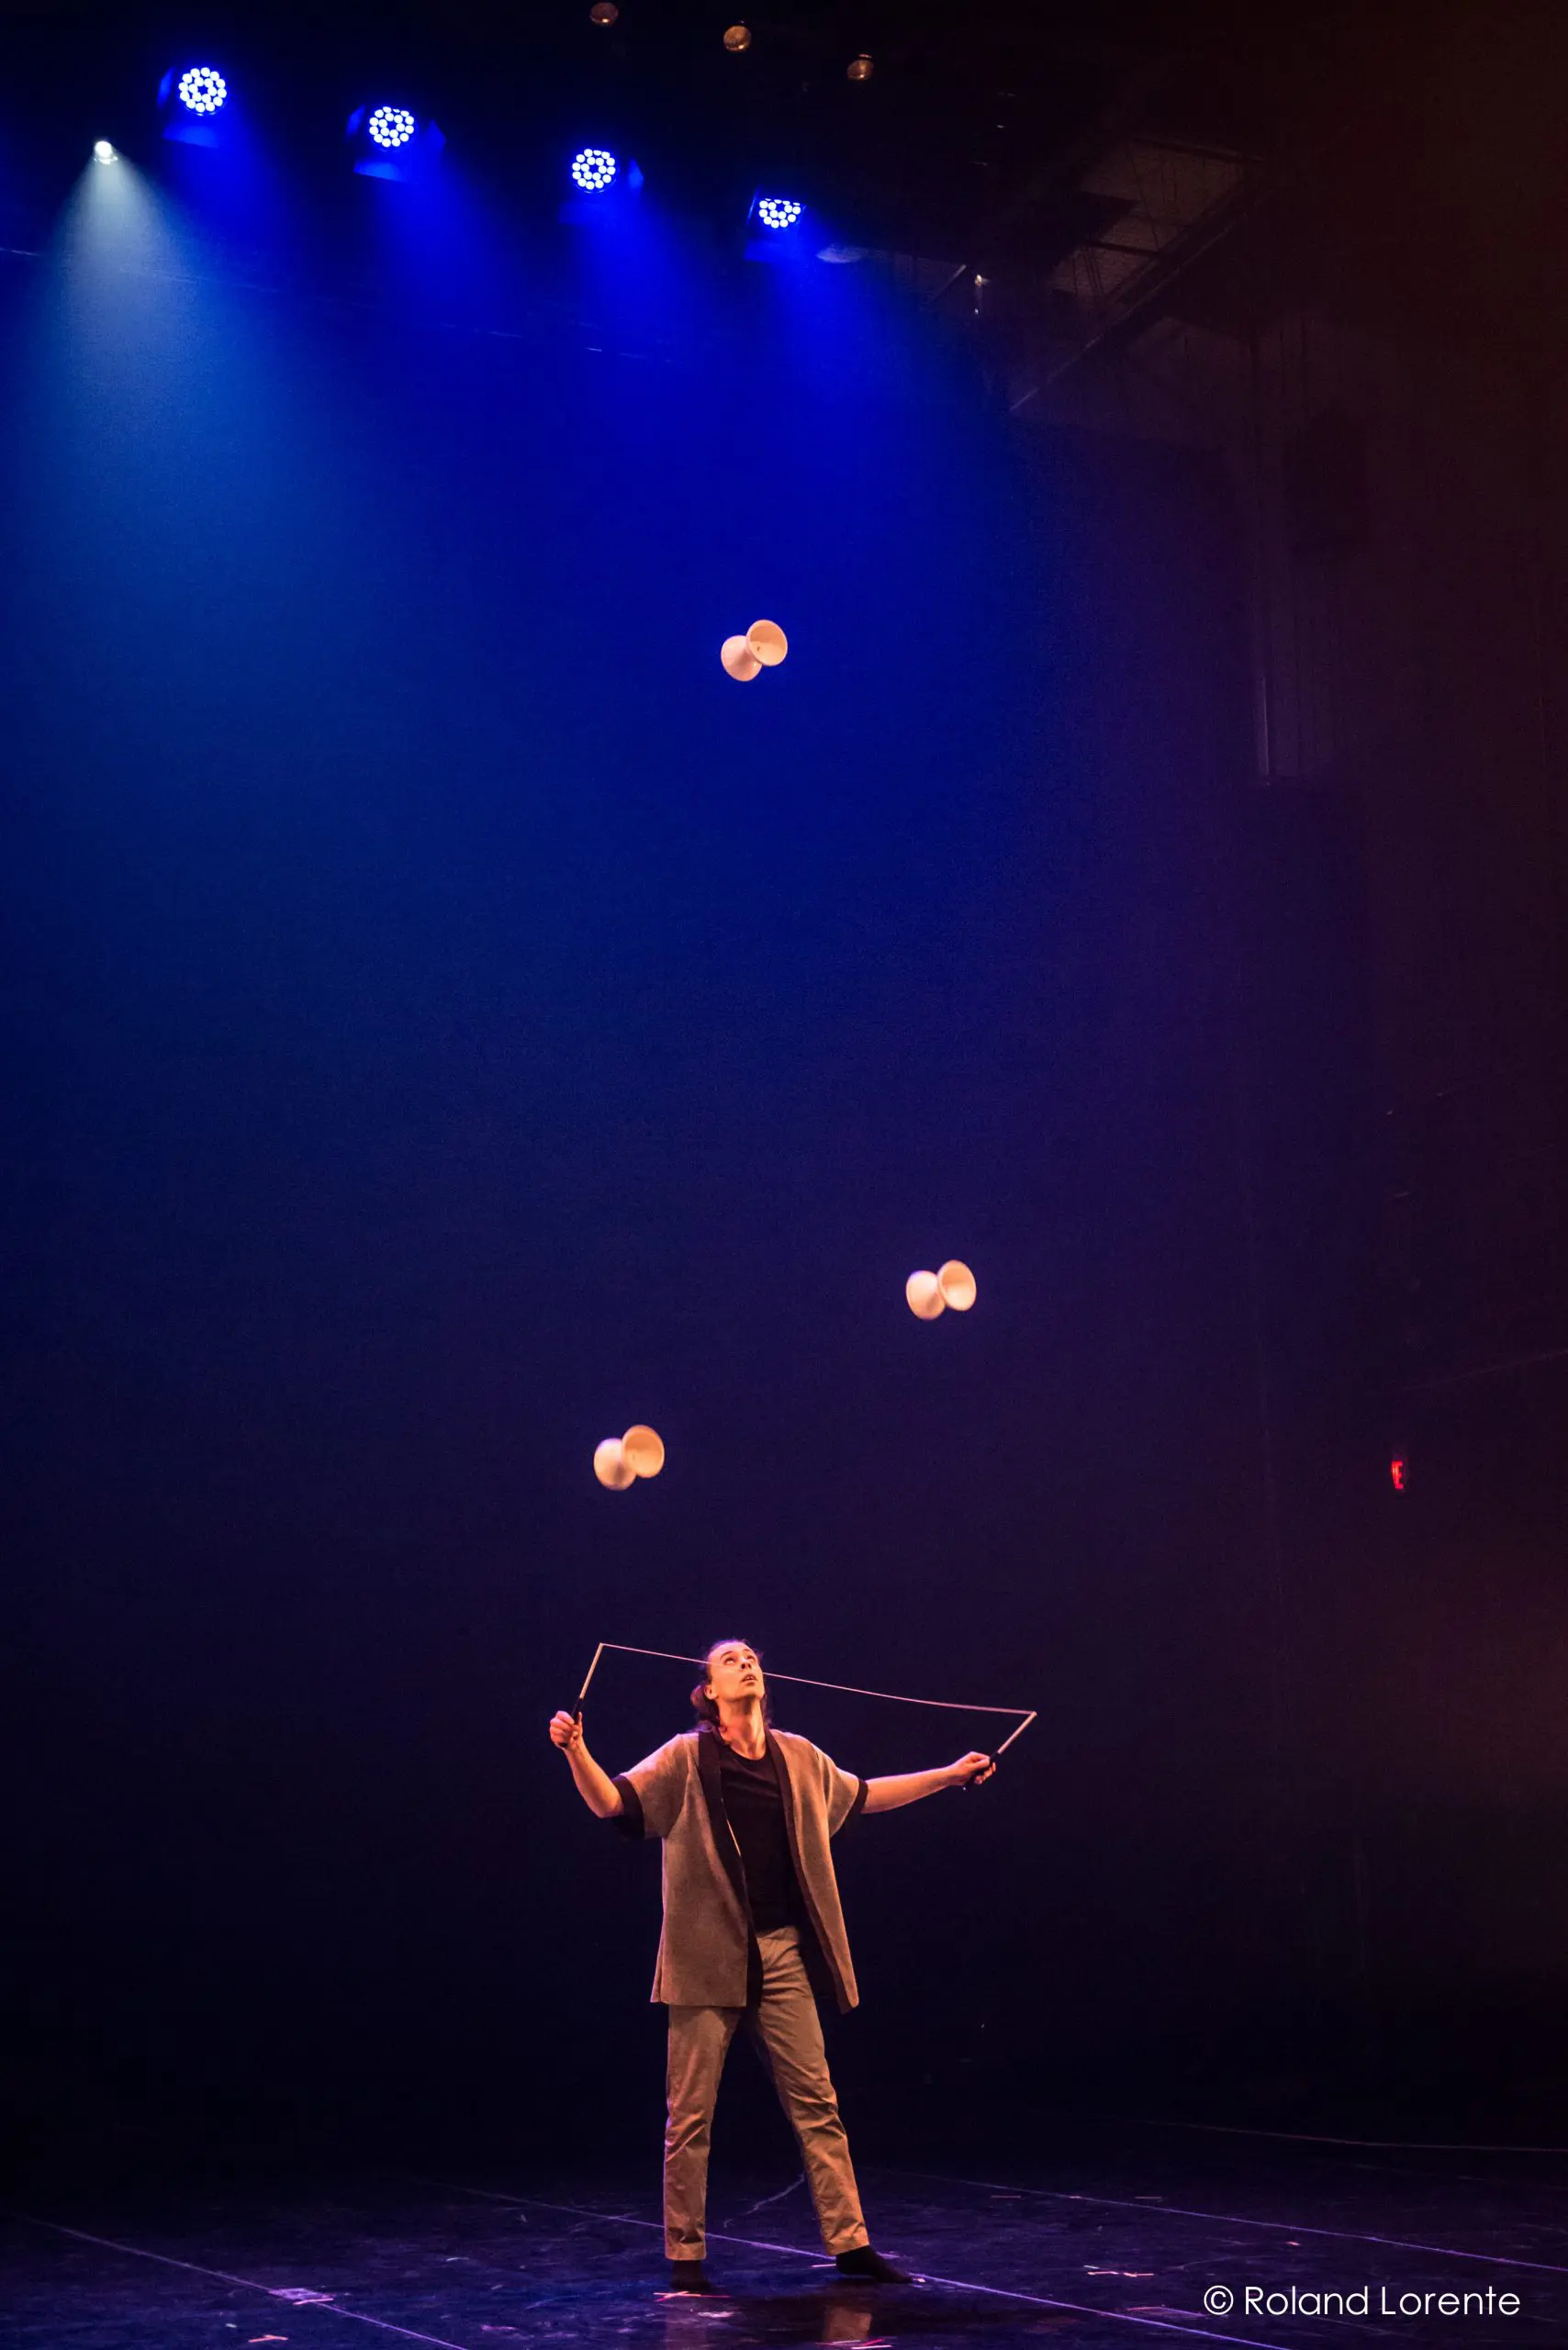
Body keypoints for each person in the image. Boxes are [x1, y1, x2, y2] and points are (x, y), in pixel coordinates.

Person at [549, 1638, 996, 2294]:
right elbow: (613, 1804)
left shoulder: (800, 1757)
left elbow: (865, 1794)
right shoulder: (685, 1757)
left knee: (818, 2101)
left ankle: (852, 2245)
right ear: (708, 1691)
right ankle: (686, 2257)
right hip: (705, 1958)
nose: (746, 1662)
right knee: (692, 2114)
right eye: (730, 1659)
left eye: (751, 1656)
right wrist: (575, 1751)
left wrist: (948, 1776)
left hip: (781, 1951)